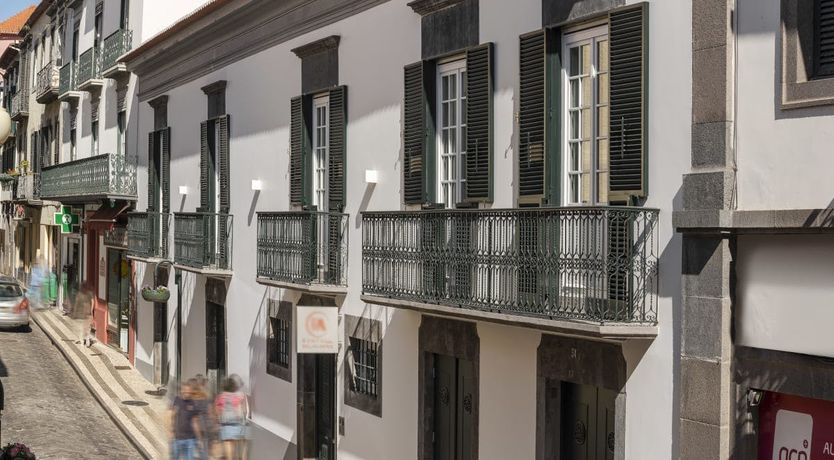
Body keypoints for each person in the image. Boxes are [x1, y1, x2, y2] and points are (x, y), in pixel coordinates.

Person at [214, 374, 250, 460]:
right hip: (237, 423)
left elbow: (217, 410)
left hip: (225, 424)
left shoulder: (220, 397)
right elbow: (244, 410)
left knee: (229, 445)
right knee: (239, 445)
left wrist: (218, 420)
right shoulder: (238, 396)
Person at [170, 379, 201, 459]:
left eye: (189, 391)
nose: (187, 393)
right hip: (177, 438)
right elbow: (172, 416)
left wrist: (199, 437)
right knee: (175, 458)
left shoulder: (193, 403)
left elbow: (195, 422)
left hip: (190, 438)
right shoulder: (177, 400)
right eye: (186, 390)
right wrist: (171, 431)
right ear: (182, 391)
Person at [190, 375, 213, 459]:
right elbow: (210, 412)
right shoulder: (207, 395)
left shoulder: (192, 396)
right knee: (204, 443)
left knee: (195, 445)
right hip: (204, 423)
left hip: (195, 424)